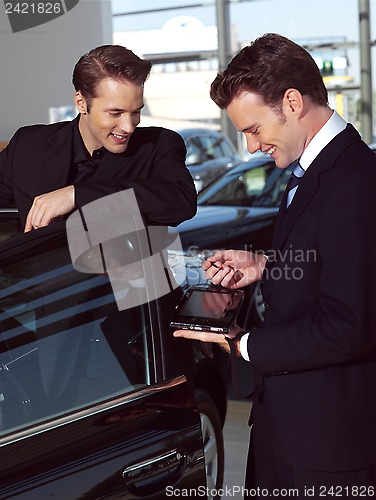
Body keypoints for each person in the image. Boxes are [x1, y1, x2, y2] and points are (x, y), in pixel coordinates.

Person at [174, 33, 376, 496]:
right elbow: (335, 262)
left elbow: (350, 325)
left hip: (326, 451)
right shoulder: (313, 170)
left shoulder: (354, 183)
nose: (249, 147)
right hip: (289, 432)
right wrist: (266, 265)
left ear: (291, 102)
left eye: (253, 128)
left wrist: (243, 345)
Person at [0, 45, 197, 231]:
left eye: (136, 112)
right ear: (81, 103)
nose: (128, 127)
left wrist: (76, 195)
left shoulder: (158, 144)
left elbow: (182, 201)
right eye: (115, 113)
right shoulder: (29, 146)